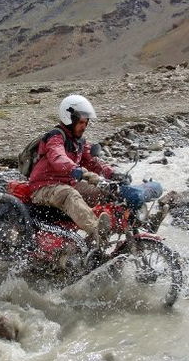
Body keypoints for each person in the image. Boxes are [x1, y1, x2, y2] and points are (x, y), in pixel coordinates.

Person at [28, 94, 124, 250]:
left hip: (67, 184)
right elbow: (57, 157)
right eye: (80, 122)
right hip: (44, 187)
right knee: (69, 194)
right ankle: (97, 230)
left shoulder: (79, 142)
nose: (84, 126)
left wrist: (112, 174)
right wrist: (75, 169)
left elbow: (94, 162)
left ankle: (127, 222)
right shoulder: (55, 137)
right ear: (69, 119)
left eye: (86, 123)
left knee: (104, 191)